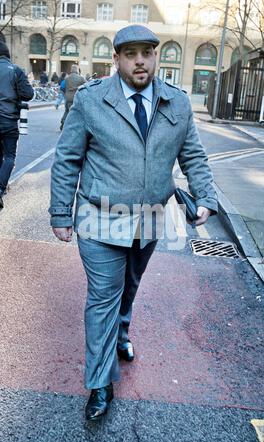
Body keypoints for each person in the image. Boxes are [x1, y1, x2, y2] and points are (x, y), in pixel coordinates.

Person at [49, 25, 218, 421]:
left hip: (150, 219)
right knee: (103, 296)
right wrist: (60, 213)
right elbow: (67, 158)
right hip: (99, 218)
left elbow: (193, 156)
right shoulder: (92, 101)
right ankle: (101, 384)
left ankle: (122, 333)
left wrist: (205, 197)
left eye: (146, 52)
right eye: (130, 54)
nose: (140, 60)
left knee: (130, 285)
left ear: (156, 56)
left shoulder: (176, 103)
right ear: (117, 59)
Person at [0, 41, 34, 210]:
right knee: (9, 157)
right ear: (7, 55)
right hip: (8, 120)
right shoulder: (15, 70)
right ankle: (0, 188)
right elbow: (28, 94)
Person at [60, 64, 85, 130]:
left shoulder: (67, 78)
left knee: (67, 110)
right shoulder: (80, 78)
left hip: (67, 97)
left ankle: (63, 122)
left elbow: (63, 87)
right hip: (76, 97)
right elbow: (86, 85)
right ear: (77, 70)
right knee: (75, 112)